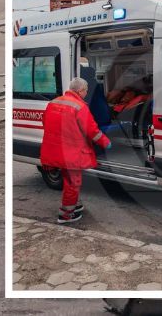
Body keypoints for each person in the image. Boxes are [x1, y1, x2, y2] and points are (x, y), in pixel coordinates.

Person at [39, 78, 111, 224]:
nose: (86, 93)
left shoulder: (54, 102)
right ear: (80, 91)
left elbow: (45, 122)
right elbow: (92, 130)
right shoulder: (79, 107)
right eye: (85, 90)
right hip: (71, 152)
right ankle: (66, 214)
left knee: (68, 179)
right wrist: (105, 142)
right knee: (73, 182)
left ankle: (75, 205)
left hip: (56, 149)